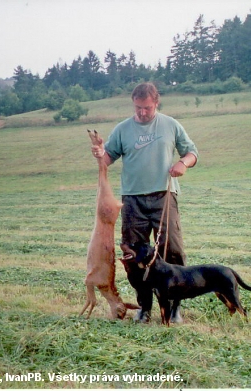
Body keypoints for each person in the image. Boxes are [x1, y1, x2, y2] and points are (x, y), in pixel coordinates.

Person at [91, 82, 198, 323]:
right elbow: (107, 160)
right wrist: (99, 155)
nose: (142, 112)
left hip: (164, 196)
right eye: (138, 108)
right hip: (133, 200)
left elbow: (192, 153)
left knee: (173, 252)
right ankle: (145, 307)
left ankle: (173, 307)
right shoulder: (122, 130)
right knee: (132, 255)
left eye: (147, 108)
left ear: (156, 103)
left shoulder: (171, 125)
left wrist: (183, 164)